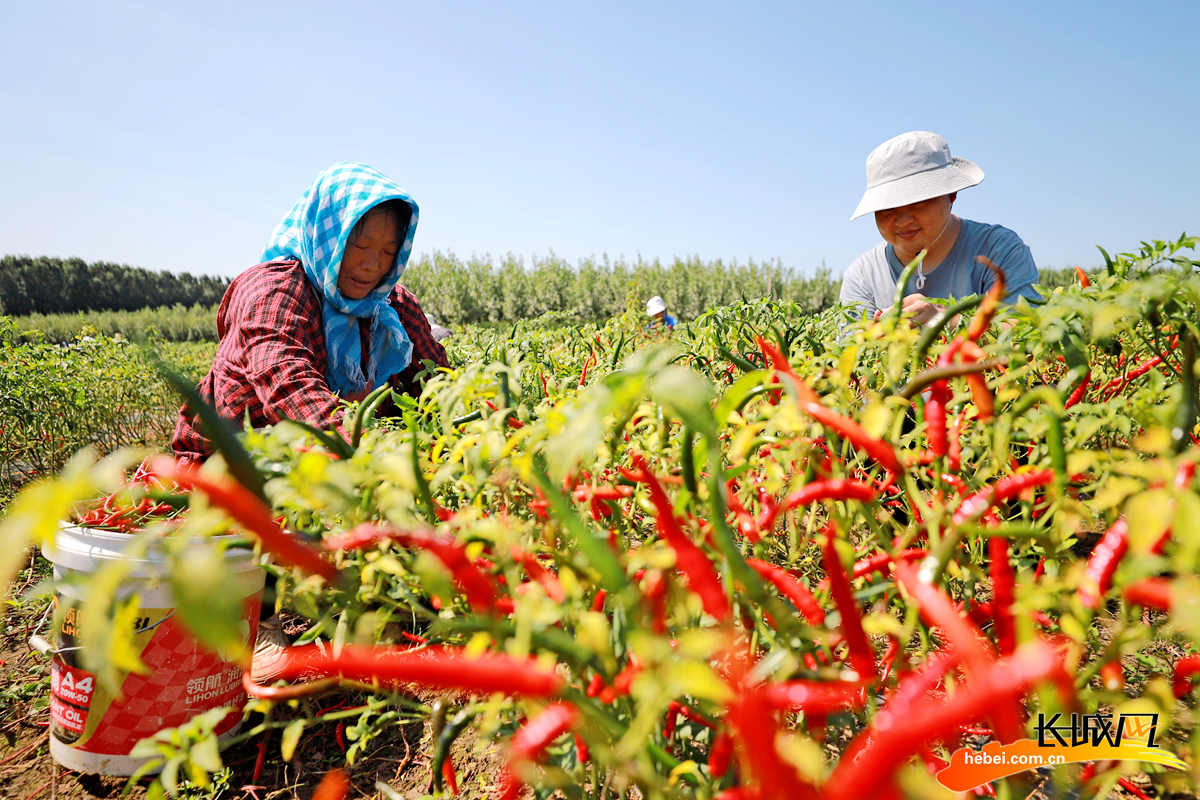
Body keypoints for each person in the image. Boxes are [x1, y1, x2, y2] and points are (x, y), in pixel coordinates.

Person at [172, 162, 448, 463]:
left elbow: (436, 379)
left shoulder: (390, 306)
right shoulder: (274, 290)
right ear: (328, 235)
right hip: (233, 461)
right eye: (361, 245)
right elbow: (289, 385)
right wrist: (372, 455)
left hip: (330, 457)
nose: (373, 265)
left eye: (387, 251)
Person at [839, 131, 1040, 326]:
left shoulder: (999, 251)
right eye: (887, 208)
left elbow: (1026, 332)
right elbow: (851, 349)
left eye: (917, 201)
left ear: (951, 194)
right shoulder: (863, 275)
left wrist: (946, 320)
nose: (903, 220)